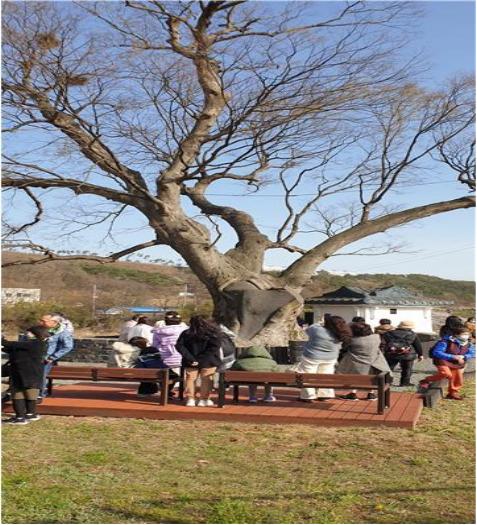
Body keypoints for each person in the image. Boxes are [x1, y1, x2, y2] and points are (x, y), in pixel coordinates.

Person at [294, 315, 352, 402]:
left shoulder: (318, 330)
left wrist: (320, 322)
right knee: (326, 376)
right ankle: (325, 394)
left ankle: (308, 396)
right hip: (330, 358)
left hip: (311, 357)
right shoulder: (341, 333)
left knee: (307, 376)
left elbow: (310, 328)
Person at [2, 326, 50, 424]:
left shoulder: (34, 344)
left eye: (29, 332)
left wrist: (2, 340)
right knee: (29, 394)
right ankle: (31, 414)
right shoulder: (40, 344)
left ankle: (19, 418)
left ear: (36, 333)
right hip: (31, 374)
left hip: (22, 373)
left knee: (17, 393)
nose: (26, 334)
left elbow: (11, 345)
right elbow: (13, 348)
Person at [336, 323, 392, 401]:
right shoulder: (376, 337)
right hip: (373, 362)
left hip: (355, 363)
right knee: (371, 377)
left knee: (354, 378)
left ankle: (353, 394)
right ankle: (371, 394)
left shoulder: (352, 340)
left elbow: (343, 348)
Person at [176, 315, 222, 407]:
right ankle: (204, 399)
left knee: (190, 379)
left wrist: (191, 358)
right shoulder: (213, 333)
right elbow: (214, 347)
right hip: (208, 360)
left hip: (190, 360)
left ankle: (190, 399)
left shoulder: (186, 333)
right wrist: (200, 358)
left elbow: (180, 346)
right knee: (207, 379)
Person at [419, 327, 475, 400]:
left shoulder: (468, 344)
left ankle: (453, 392)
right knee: (446, 373)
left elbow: (472, 353)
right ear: (456, 335)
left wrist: (464, 357)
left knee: (458, 376)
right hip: (442, 360)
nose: (465, 336)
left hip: (457, 362)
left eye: (467, 334)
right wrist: (453, 356)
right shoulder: (445, 342)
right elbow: (436, 352)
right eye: (463, 334)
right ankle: (426, 380)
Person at [39, 314, 75, 398]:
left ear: (54, 322)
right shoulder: (39, 330)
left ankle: (40, 394)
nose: (41, 323)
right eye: (40, 320)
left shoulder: (63, 332)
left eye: (44, 321)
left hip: (46, 359)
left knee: (41, 376)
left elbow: (68, 346)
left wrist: (52, 357)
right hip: (33, 357)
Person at [381, 320, 423, 387]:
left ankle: (387, 382)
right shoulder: (412, 334)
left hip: (391, 353)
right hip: (407, 354)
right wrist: (420, 354)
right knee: (407, 369)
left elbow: (383, 343)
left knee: (389, 368)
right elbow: (417, 345)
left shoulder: (388, 333)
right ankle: (404, 383)